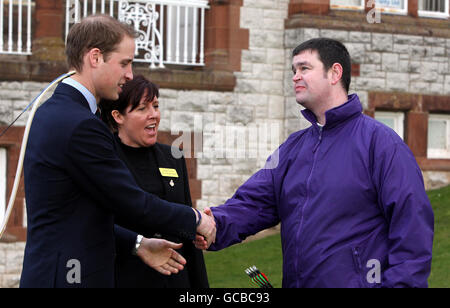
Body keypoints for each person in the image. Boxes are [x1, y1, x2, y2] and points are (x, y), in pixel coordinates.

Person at [196, 38, 434, 288]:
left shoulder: (382, 144)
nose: (295, 77)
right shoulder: (293, 148)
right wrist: (212, 224)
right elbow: (254, 203)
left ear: (334, 73)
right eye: (293, 70)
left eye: (304, 68)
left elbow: (412, 231)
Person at [20, 14, 215, 288]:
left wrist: (138, 244)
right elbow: (131, 201)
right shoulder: (80, 125)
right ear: (95, 57)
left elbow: (78, 214)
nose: (130, 75)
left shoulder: (53, 112)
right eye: (124, 63)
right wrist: (194, 218)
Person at [99, 75, 209, 288]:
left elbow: (184, 216)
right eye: (142, 109)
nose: (154, 115)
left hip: (176, 279)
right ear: (118, 116)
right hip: (124, 276)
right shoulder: (104, 159)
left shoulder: (172, 157)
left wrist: (196, 232)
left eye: (156, 106)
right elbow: (96, 224)